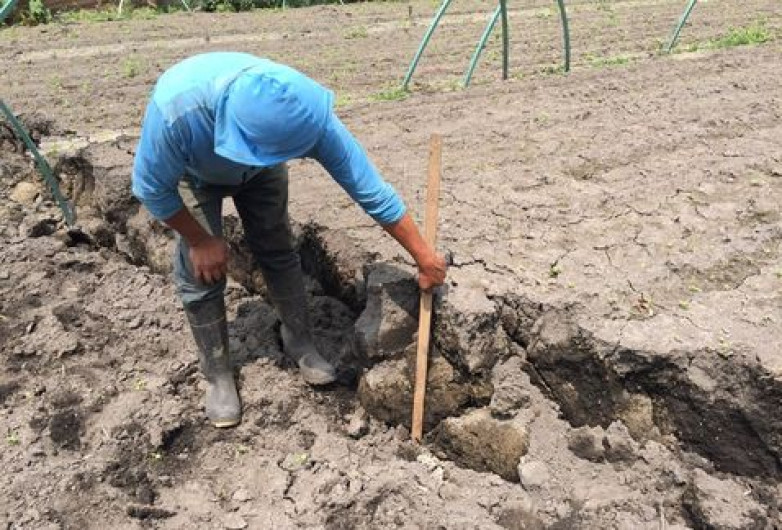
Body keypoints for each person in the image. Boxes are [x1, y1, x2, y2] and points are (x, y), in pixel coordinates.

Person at [131, 52, 446, 428]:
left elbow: (370, 189)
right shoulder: (178, 113)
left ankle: (299, 340)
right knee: (202, 271)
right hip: (194, 174)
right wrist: (199, 240)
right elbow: (150, 189)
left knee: (278, 247)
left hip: (260, 172)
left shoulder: (305, 116)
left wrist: (423, 256)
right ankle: (217, 373)